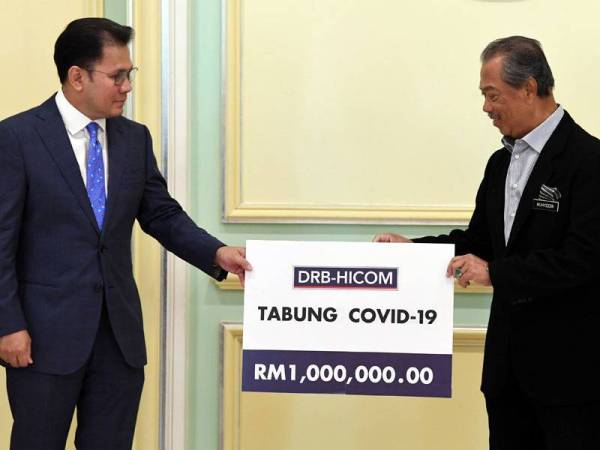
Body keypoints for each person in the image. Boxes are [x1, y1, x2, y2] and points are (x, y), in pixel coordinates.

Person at [0, 18, 251, 450]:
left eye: (130, 74)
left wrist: (217, 252)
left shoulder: (134, 139)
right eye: (117, 76)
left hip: (119, 340)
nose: (127, 87)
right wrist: (8, 324)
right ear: (77, 77)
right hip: (42, 338)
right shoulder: (17, 138)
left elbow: (162, 214)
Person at [374, 36, 600, 449]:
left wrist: (495, 273)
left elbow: (583, 259)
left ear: (529, 87)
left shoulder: (589, 161)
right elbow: (478, 243)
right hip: (505, 375)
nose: (485, 107)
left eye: (492, 95)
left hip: (571, 378)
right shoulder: (500, 163)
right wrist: (413, 251)